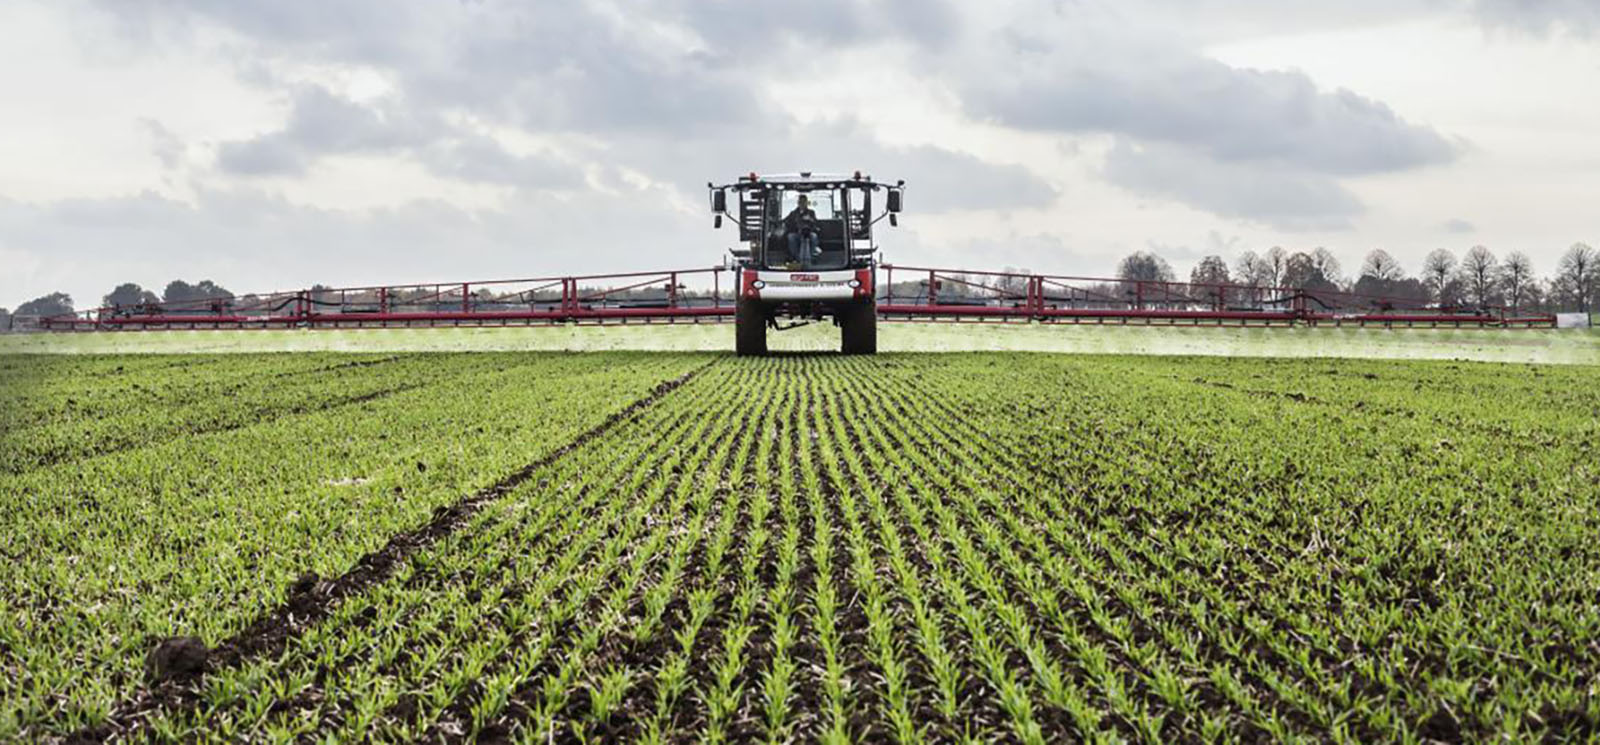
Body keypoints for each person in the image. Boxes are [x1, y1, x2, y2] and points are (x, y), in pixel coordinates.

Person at [783, 194, 821, 268]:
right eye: (801, 202)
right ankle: (797, 258)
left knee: (814, 237)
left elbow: (816, 223)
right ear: (798, 202)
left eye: (804, 202)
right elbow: (786, 221)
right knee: (791, 237)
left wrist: (810, 220)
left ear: (807, 202)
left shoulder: (811, 212)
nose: (802, 203)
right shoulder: (793, 213)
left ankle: (812, 256)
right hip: (797, 233)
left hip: (809, 233)